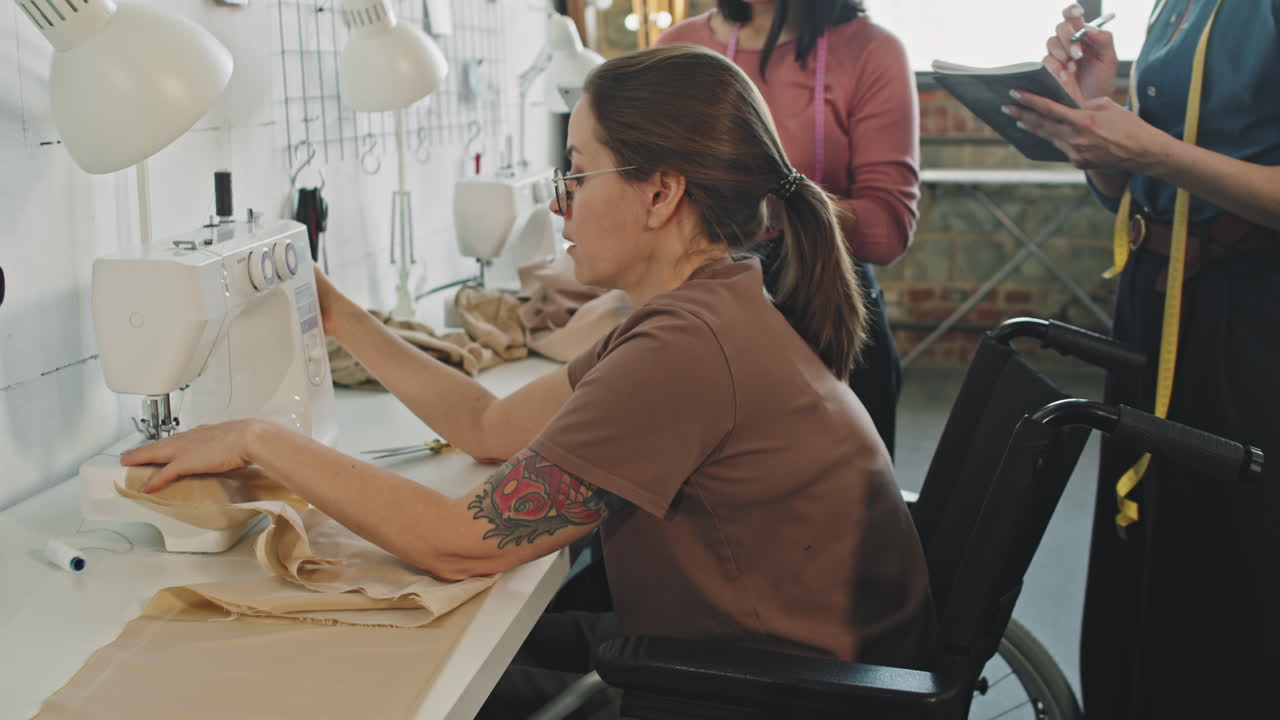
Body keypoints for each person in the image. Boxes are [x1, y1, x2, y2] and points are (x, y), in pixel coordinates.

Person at [121, 45, 936, 718]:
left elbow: (456, 544)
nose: (559, 203)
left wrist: (260, 439)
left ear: (660, 194)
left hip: (761, 696)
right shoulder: (697, 309)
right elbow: (486, 427)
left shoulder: (685, 350)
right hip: (763, 666)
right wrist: (341, 321)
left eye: (577, 175)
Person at [1006, 3, 1280, 718]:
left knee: (1232, 567)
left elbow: (1173, 165)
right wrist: (1096, 117)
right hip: (1156, 302)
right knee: (1151, 555)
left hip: (1248, 314)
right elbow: (1142, 192)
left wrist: (1150, 151)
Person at [655, 0, 919, 458]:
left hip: (831, 325)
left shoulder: (873, 52)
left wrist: (765, 208)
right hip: (700, 327)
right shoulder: (679, 48)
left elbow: (888, 227)